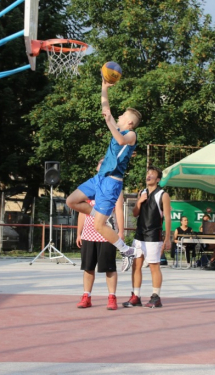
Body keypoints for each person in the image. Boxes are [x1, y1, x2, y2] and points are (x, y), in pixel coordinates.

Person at [66, 79, 142, 272]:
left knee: (99, 227)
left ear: (130, 122)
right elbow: (106, 109)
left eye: (123, 115)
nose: (119, 115)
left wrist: (110, 123)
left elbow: (121, 138)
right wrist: (104, 88)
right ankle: (103, 218)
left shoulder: (131, 134)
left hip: (111, 182)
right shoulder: (117, 126)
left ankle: (127, 251)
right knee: (71, 201)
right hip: (99, 178)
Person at [76, 158, 124, 310]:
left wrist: (121, 232)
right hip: (89, 233)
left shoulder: (115, 186)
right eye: (100, 164)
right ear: (97, 168)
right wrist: (79, 233)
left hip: (107, 233)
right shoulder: (89, 187)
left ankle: (112, 297)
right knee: (88, 267)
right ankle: (86, 296)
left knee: (109, 268)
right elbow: (81, 211)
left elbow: (119, 210)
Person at [123, 166, 171, 308]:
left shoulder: (163, 195)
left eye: (152, 174)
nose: (148, 175)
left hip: (154, 236)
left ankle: (156, 297)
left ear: (157, 179)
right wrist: (139, 201)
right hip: (139, 235)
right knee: (136, 266)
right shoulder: (142, 192)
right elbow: (135, 213)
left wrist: (167, 238)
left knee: (154, 266)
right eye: (147, 173)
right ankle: (136, 296)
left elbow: (167, 218)